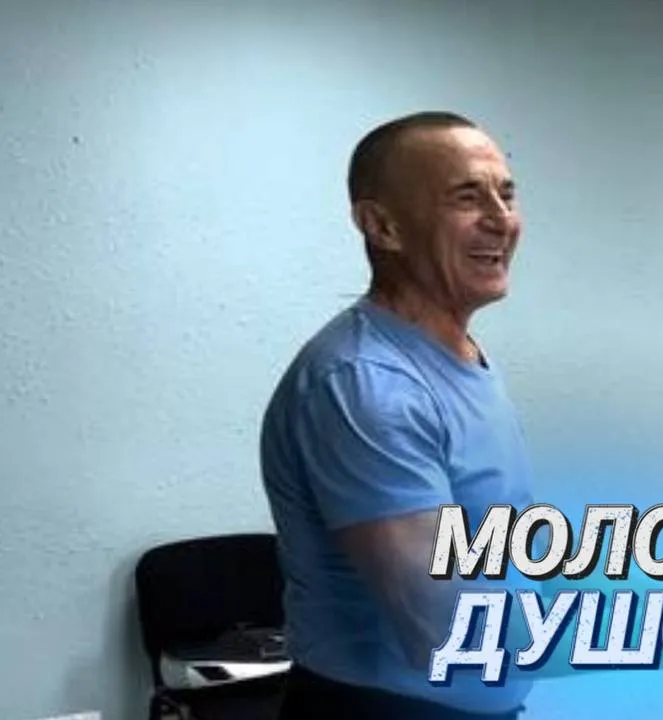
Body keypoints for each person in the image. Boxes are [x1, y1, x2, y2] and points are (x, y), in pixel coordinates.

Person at [258, 111, 537, 719]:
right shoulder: (367, 384)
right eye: (467, 197)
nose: (501, 219)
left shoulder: (455, 355)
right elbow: (444, 629)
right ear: (382, 225)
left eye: (507, 194)